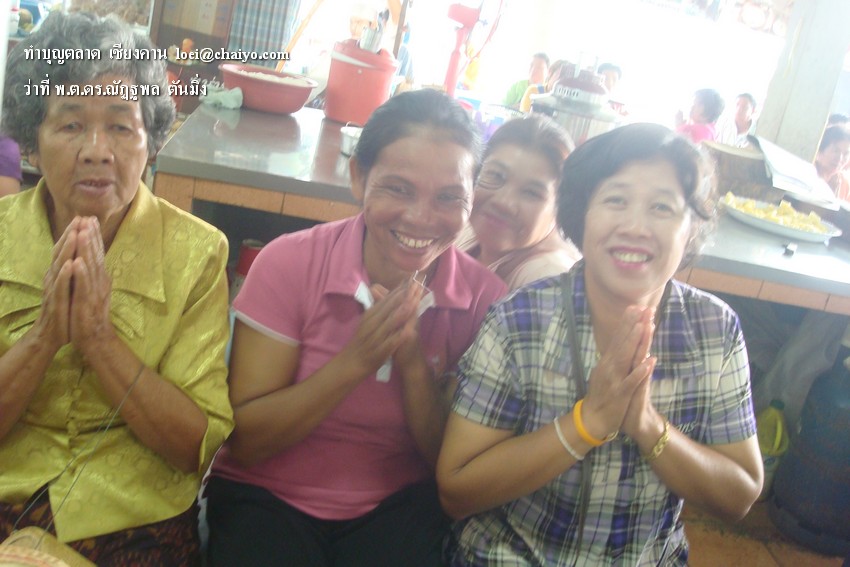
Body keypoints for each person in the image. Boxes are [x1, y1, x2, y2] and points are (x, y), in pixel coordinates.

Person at [205, 89, 507, 567]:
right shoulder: (290, 263)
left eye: (450, 197)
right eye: (398, 189)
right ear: (358, 177)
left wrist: (413, 367)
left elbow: (452, 467)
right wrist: (356, 361)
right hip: (266, 495)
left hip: (401, 504)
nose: (421, 218)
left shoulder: (485, 301)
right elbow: (247, 442)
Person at [437, 123, 763, 565]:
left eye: (662, 207)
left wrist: (647, 426)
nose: (636, 227)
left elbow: (740, 494)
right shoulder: (519, 320)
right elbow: (457, 491)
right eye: (615, 200)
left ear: (691, 230)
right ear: (581, 215)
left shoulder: (714, 329)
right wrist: (588, 422)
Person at [0, 11, 234, 565]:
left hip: (134, 518)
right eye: (70, 125)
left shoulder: (198, 253)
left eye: (121, 127)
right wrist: (44, 338)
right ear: (31, 144)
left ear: (151, 143)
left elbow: (193, 449)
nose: (97, 150)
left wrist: (100, 340)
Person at [457, 114, 580, 289]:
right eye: (496, 175)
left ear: (560, 209)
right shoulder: (466, 229)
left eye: (531, 193)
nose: (504, 202)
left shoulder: (547, 282)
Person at [815, 124, 850, 201]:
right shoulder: (807, 173)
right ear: (820, 150)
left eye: (846, 154)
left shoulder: (844, 183)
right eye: (836, 151)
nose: (840, 158)